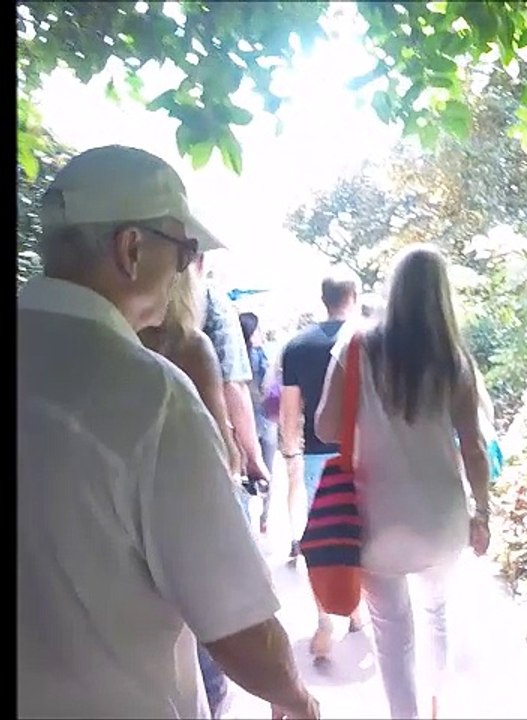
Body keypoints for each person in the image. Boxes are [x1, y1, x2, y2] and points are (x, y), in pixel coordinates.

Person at [17, 145, 318, 720]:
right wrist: (296, 700)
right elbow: (238, 626)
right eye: (184, 251)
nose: (185, 271)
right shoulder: (149, 397)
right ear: (131, 250)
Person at [314, 244, 491, 720]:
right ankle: (440, 707)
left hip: (377, 521)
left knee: (393, 636)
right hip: (443, 518)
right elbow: (474, 448)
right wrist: (484, 514)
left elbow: (326, 429)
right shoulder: (455, 361)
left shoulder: (357, 346)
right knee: (438, 616)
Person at [138, 269, 244, 718]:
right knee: (206, 664)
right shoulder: (189, 346)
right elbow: (217, 451)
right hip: (185, 524)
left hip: (121, 521)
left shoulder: (108, 345)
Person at [279, 268, 364, 661]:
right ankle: (359, 610)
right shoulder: (370, 340)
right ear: (355, 295)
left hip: (317, 455)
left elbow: (290, 408)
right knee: (366, 533)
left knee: (324, 537)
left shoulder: (297, 346)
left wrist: (291, 451)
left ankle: (324, 619)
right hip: (365, 453)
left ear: (323, 299)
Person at [194, 255, 271, 491]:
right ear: (199, 261)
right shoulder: (213, 301)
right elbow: (232, 385)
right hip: (209, 445)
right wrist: (253, 455)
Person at [240, 311, 279, 533]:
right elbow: (269, 387)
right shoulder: (261, 355)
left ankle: (246, 521)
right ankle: (264, 519)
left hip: (244, 422)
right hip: (266, 421)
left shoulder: (235, 356)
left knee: (243, 474)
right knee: (267, 471)